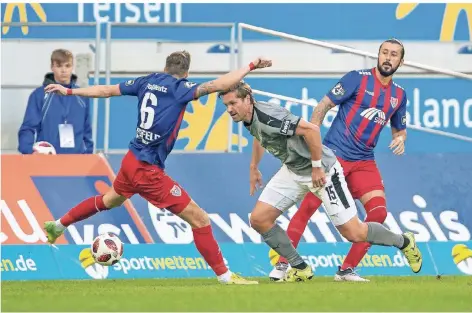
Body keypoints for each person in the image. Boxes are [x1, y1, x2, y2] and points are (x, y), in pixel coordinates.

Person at [42, 51, 272, 285]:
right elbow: (219, 84)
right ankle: (226, 277)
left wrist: (70, 91)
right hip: (147, 169)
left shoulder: (146, 81)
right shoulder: (180, 88)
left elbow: (106, 91)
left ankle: (58, 225)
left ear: (165, 67)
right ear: (186, 73)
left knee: (110, 199)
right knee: (200, 220)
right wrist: (251, 65)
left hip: (131, 159)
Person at [218, 81, 421, 283]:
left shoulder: (270, 116)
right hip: (292, 170)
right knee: (259, 219)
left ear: (247, 99)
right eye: (226, 105)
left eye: (233, 103)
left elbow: (311, 130)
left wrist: (316, 167)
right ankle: (300, 267)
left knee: (355, 232)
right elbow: (260, 135)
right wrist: (254, 166)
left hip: (323, 171)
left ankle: (403, 241)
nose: (229, 109)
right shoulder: (249, 116)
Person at [268, 38, 410, 282]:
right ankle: (283, 265)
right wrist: (312, 142)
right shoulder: (357, 78)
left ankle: (346, 270)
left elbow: (399, 129)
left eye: (394, 54)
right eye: (384, 52)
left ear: (401, 61)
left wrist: (401, 139)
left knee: (378, 212)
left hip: (364, 161)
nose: (388, 57)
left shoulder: (399, 95)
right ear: (378, 56)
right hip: (334, 157)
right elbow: (323, 105)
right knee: (308, 208)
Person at [18, 49, 93, 154]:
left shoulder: (82, 96)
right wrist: (29, 151)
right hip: (47, 160)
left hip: (77, 161)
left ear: (72, 67)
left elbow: (87, 131)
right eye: (59, 66)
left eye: (67, 66)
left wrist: (88, 156)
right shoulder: (39, 95)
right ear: (52, 67)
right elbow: (28, 128)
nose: (64, 70)